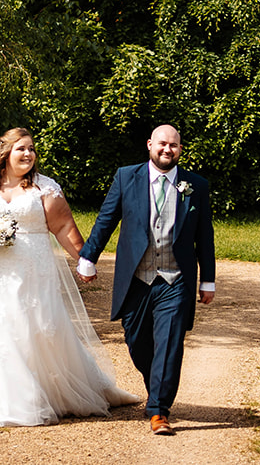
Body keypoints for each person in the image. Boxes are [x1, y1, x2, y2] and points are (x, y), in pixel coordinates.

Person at [0, 127, 141, 426]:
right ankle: (3, 397)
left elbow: (64, 229)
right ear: (6, 153)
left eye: (31, 149)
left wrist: (85, 261)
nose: (28, 154)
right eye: (21, 149)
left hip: (32, 270)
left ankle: (54, 391)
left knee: (34, 328)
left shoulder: (44, 188)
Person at [77, 124, 216, 435]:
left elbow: (204, 236)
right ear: (150, 144)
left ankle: (158, 410)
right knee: (137, 343)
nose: (168, 150)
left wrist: (208, 280)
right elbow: (106, 219)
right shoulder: (127, 177)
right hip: (137, 278)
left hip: (175, 278)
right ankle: (157, 383)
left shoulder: (196, 185)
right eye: (162, 144)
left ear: (180, 149)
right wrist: (88, 256)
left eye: (174, 146)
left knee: (169, 343)